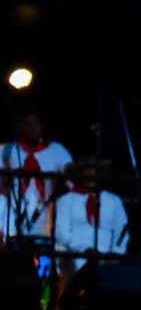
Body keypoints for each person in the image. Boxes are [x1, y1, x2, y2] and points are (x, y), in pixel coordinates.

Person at [52, 158, 130, 294]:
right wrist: (84, 250)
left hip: (107, 261)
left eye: (94, 171)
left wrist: (115, 253)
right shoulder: (66, 200)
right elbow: (61, 232)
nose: (91, 175)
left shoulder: (113, 200)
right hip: (76, 259)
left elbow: (123, 231)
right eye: (87, 171)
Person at [1, 107, 73, 237]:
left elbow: (72, 183)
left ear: (42, 125)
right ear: (21, 126)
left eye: (36, 123)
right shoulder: (7, 150)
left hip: (45, 215)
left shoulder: (57, 150)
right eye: (28, 123)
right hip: (11, 215)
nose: (32, 128)